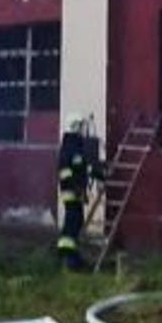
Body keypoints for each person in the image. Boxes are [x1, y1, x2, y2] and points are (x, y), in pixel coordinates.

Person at [55, 113, 106, 270]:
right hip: (71, 192)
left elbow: (84, 168)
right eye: (82, 126)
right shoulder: (69, 147)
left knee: (76, 222)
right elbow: (64, 171)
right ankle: (67, 259)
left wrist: (100, 175)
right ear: (76, 127)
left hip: (76, 192)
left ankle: (71, 256)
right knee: (72, 222)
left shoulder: (76, 146)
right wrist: (75, 188)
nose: (84, 129)